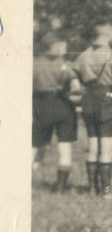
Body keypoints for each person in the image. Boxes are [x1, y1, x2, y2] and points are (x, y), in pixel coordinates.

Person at [69, 20, 112, 197]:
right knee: (107, 148)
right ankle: (106, 192)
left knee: (93, 147)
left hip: (88, 101)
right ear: (109, 34)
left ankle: (91, 189)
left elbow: (72, 74)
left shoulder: (83, 55)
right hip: (106, 101)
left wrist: (78, 87)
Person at [32, 33, 77, 192]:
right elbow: (75, 86)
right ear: (54, 47)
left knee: (34, 145)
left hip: (40, 106)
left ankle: (24, 180)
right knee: (65, 147)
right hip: (62, 106)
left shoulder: (33, 63)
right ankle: (61, 186)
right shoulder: (64, 64)